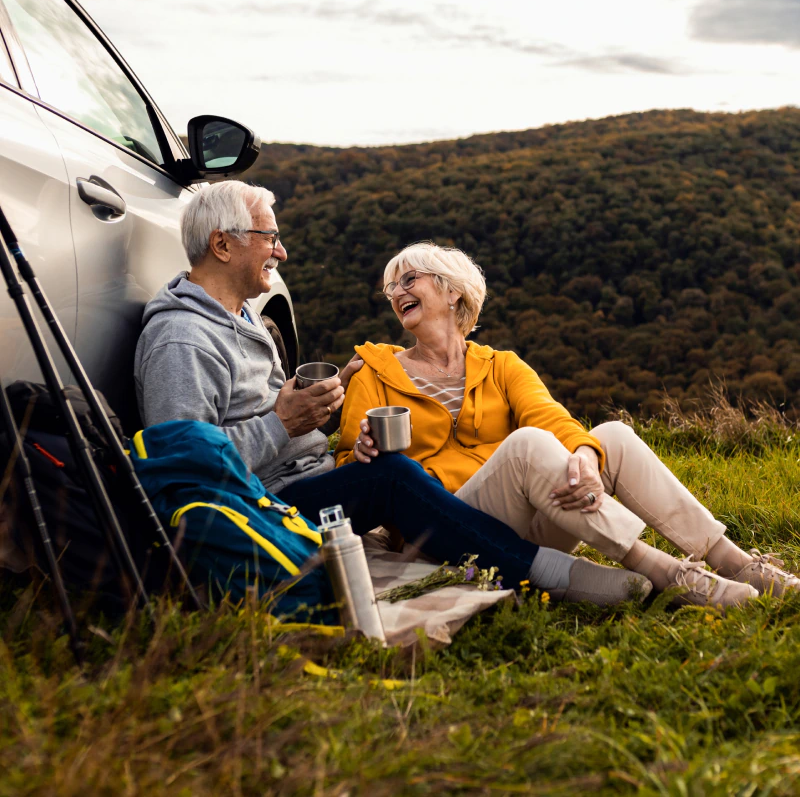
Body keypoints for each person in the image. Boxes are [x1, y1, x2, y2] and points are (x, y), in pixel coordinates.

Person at [134, 181, 650, 607]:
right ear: (223, 246)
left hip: (303, 482)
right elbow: (186, 475)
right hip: (262, 506)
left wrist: (320, 411)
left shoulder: (243, 317)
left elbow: (270, 423)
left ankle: (606, 563)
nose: (282, 251)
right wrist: (282, 424)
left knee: (392, 475)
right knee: (394, 477)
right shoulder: (183, 340)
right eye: (269, 236)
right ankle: (551, 576)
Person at [336, 241, 800, 609]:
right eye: (390, 287)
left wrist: (585, 456)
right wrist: (359, 454)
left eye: (408, 279)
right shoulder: (373, 371)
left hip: (523, 525)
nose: (396, 293)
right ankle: (671, 575)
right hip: (438, 530)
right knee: (527, 447)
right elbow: (350, 468)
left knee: (610, 436)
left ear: (452, 291)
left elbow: (551, 416)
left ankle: (735, 562)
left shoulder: (499, 366)